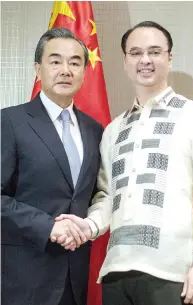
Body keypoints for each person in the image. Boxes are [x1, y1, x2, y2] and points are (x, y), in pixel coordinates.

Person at [55, 21, 193, 305]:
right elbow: (108, 198)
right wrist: (87, 226)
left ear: (169, 58)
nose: (145, 60)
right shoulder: (113, 130)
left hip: (173, 273)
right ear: (125, 61)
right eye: (135, 53)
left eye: (155, 52)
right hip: (116, 272)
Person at [1, 27, 103, 305]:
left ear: (84, 71)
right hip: (23, 278)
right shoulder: (9, 122)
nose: (66, 70)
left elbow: (95, 195)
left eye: (75, 62)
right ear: (38, 68)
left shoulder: (95, 130)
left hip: (75, 275)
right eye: (55, 61)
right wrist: (47, 226)